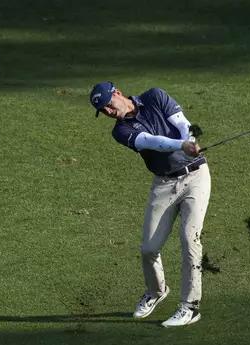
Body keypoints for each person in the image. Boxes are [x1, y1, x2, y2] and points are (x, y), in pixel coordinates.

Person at [89, 81, 210, 327]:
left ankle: (190, 307)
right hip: (164, 184)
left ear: (118, 94)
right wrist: (181, 145)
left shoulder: (155, 96)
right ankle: (157, 292)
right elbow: (151, 141)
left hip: (196, 176)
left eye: (109, 105)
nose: (109, 112)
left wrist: (190, 139)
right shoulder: (120, 132)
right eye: (103, 111)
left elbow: (181, 122)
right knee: (148, 248)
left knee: (190, 239)